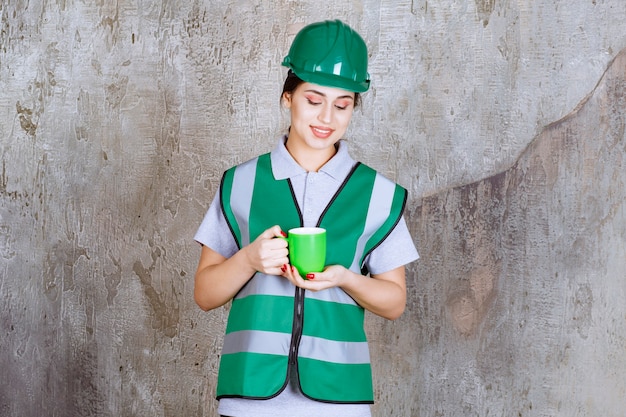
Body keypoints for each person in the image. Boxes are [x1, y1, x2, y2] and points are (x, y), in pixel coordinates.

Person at [193, 19, 419, 417]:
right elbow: (205, 294)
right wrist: (248, 259)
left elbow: (394, 301)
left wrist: (345, 278)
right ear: (288, 96)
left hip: (340, 400)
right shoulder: (240, 183)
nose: (326, 118)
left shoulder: (379, 195)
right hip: (249, 397)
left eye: (342, 104)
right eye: (313, 100)